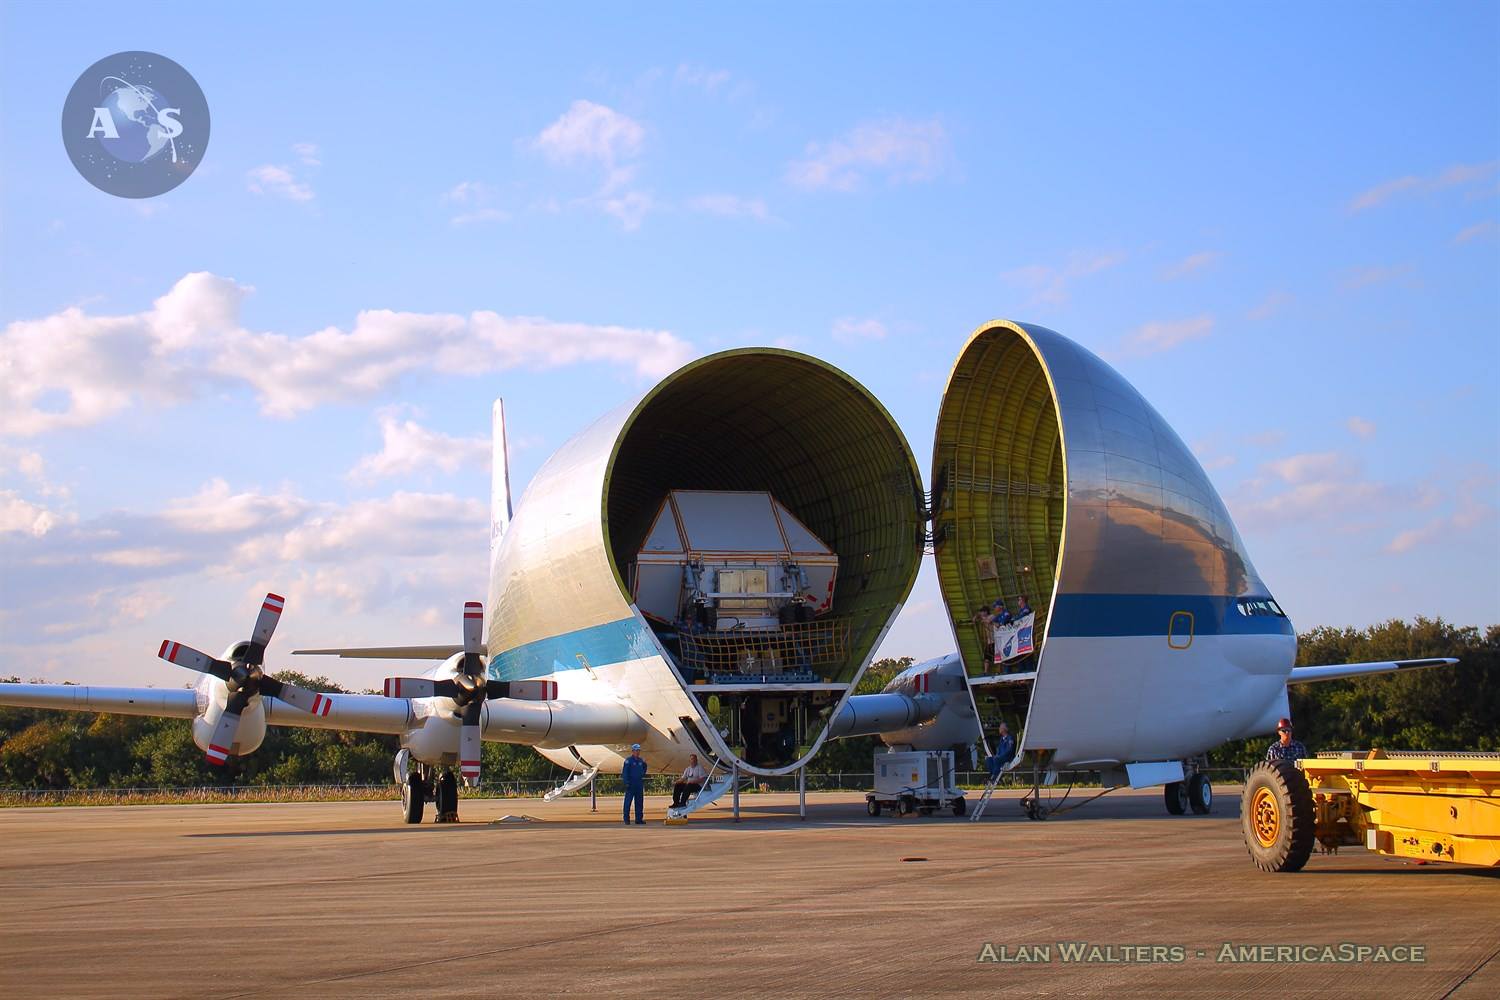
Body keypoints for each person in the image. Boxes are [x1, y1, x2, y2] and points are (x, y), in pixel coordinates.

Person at [622, 743, 648, 824]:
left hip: (639, 783)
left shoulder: (640, 761)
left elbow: (644, 770)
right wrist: (626, 782)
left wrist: (644, 763)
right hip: (631, 783)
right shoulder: (628, 761)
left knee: (639, 802)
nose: (637, 752)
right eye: (636, 750)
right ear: (632, 751)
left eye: (638, 750)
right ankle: (626, 819)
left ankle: (639, 819)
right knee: (628, 802)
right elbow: (625, 772)